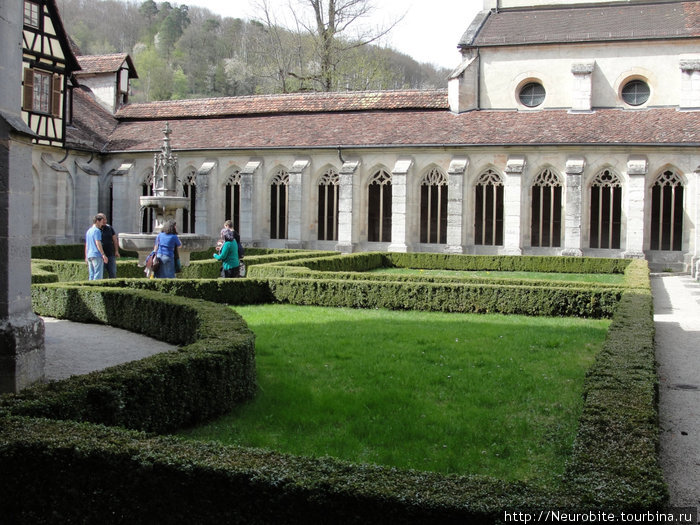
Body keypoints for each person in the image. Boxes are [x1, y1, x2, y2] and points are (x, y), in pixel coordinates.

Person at [85, 213, 108, 280]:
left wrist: (86, 255)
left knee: (91, 274)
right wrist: (103, 254)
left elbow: (87, 245)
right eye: (101, 222)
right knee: (98, 274)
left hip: (90, 255)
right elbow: (98, 242)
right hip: (96, 255)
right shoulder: (97, 231)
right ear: (97, 221)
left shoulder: (89, 231)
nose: (102, 224)